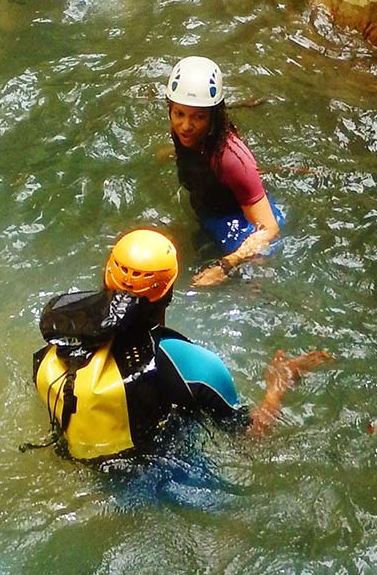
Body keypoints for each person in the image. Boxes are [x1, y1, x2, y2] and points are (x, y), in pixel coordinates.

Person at [32, 228, 328, 462]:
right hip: (144, 485)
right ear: (169, 293)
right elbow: (251, 440)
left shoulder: (63, 335)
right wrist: (279, 385)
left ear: (107, 277)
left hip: (77, 463)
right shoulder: (186, 361)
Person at [164, 56, 284, 286]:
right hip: (210, 213)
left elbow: (269, 229)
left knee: (247, 283)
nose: (186, 126)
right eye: (179, 114)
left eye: (198, 117)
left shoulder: (232, 160)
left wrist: (225, 267)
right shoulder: (183, 130)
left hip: (242, 226)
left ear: (213, 117)